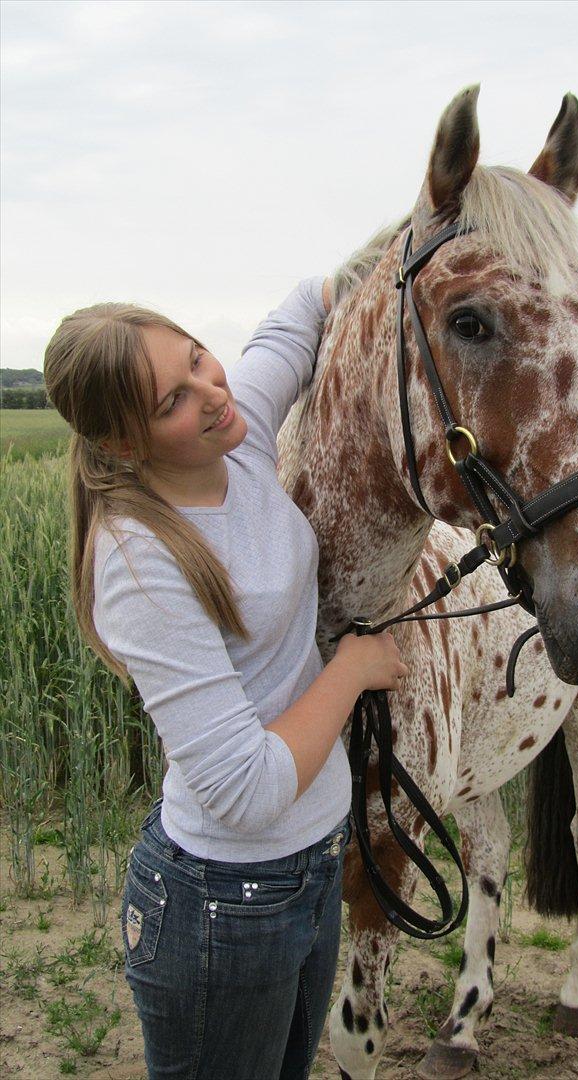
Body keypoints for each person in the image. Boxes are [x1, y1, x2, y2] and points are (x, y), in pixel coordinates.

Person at [43, 277, 408, 1080]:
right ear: (126, 446)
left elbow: (293, 323)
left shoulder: (232, 441)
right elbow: (242, 787)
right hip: (224, 903)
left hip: (311, 865)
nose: (211, 393)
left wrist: (378, 264)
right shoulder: (142, 562)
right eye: (173, 399)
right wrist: (350, 670)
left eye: (199, 358)